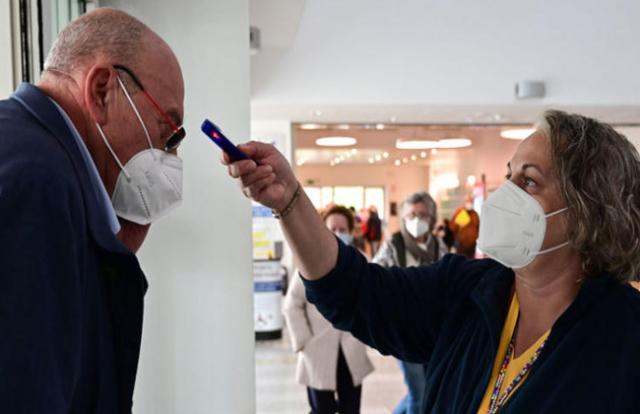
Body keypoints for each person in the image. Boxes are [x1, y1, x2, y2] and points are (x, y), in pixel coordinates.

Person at [226, 110, 640, 413]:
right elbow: (353, 291)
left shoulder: (624, 338)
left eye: (529, 181)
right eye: (509, 175)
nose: (505, 195)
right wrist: (289, 200)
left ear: (586, 211)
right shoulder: (467, 291)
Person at [0, 9, 185, 413]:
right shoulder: (37, 184)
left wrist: (110, 246)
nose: (169, 157)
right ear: (102, 91)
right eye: (167, 134)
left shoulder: (35, 157)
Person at [283, 205, 374, 414]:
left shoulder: (361, 262)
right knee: (322, 409)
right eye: (333, 229)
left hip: (351, 348)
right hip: (318, 350)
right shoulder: (308, 262)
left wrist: (368, 333)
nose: (338, 234)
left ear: (351, 232)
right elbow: (292, 305)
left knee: (351, 408)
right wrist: (304, 341)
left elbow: (373, 299)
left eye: (343, 230)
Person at [372, 192, 447, 414]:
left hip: (434, 330)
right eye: (412, 214)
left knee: (427, 388)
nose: (417, 220)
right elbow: (374, 277)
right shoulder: (394, 245)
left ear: (432, 219)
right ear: (404, 217)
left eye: (423, 215)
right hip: (403, 328)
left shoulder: (439, 246)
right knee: (419, 392)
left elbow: (451, 280)